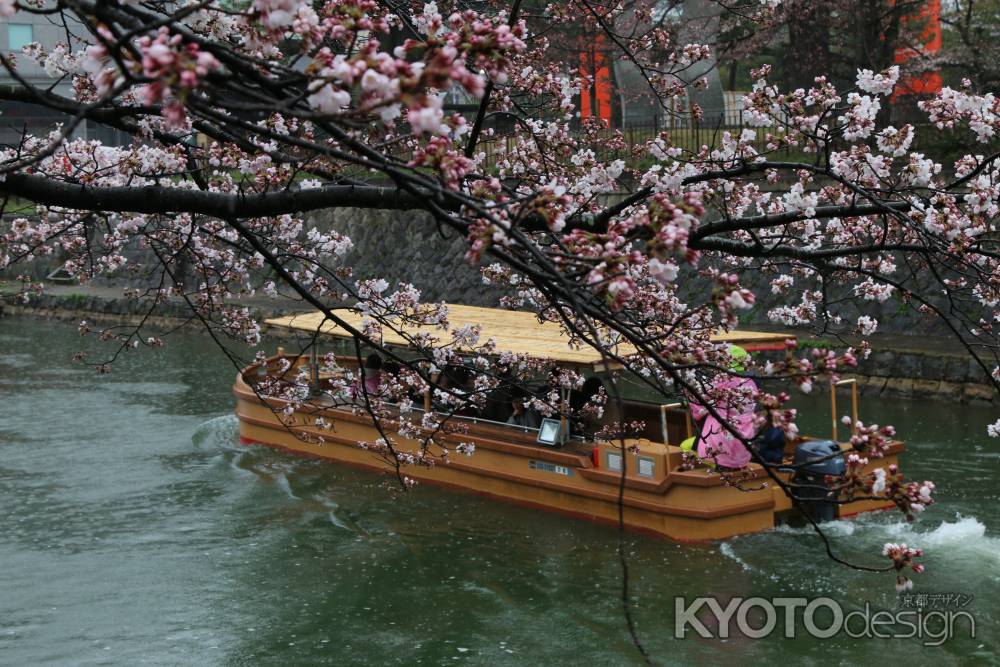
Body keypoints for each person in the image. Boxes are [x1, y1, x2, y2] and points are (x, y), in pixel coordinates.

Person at [688, 345, 758, 471]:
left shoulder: (722, 382)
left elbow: (699, 400)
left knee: (688, 445)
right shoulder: (751, 383)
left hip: (721, 439)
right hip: (745, 441)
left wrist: (692, 398)